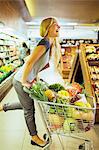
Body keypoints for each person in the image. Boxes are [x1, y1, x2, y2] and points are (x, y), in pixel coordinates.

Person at [0, 17, 64, 148]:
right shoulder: (44, 43)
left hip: (28, 78)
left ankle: (3, 107)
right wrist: (24, 81)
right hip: (20, 80)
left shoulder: (51, 43)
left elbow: (36, 62)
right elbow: (29, 62)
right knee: (29, 110)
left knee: (27, 105)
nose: (59, 27)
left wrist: (37, 75)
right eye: (56, 25)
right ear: (48, 28)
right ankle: (34, 137)